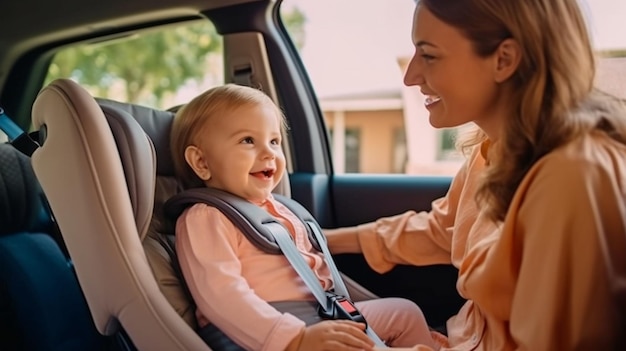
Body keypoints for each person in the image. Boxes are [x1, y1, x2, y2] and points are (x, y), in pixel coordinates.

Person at [325, 0, 626, 350]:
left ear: (504, 59)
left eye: (430, 55)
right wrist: (320, 239)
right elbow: (443, 232)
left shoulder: (573, 177)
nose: (411, 77)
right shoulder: (495, 150)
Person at [169, 83, 442, 351]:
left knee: (405, 314)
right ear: (202, 163)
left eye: (274, 141)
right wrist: (293, 339)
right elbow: (222, 295)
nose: (269, 153)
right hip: (269, 330)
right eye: (247, 141)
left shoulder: (281, 209)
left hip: (319, 311)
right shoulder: (205, 217)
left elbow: (318, 272)